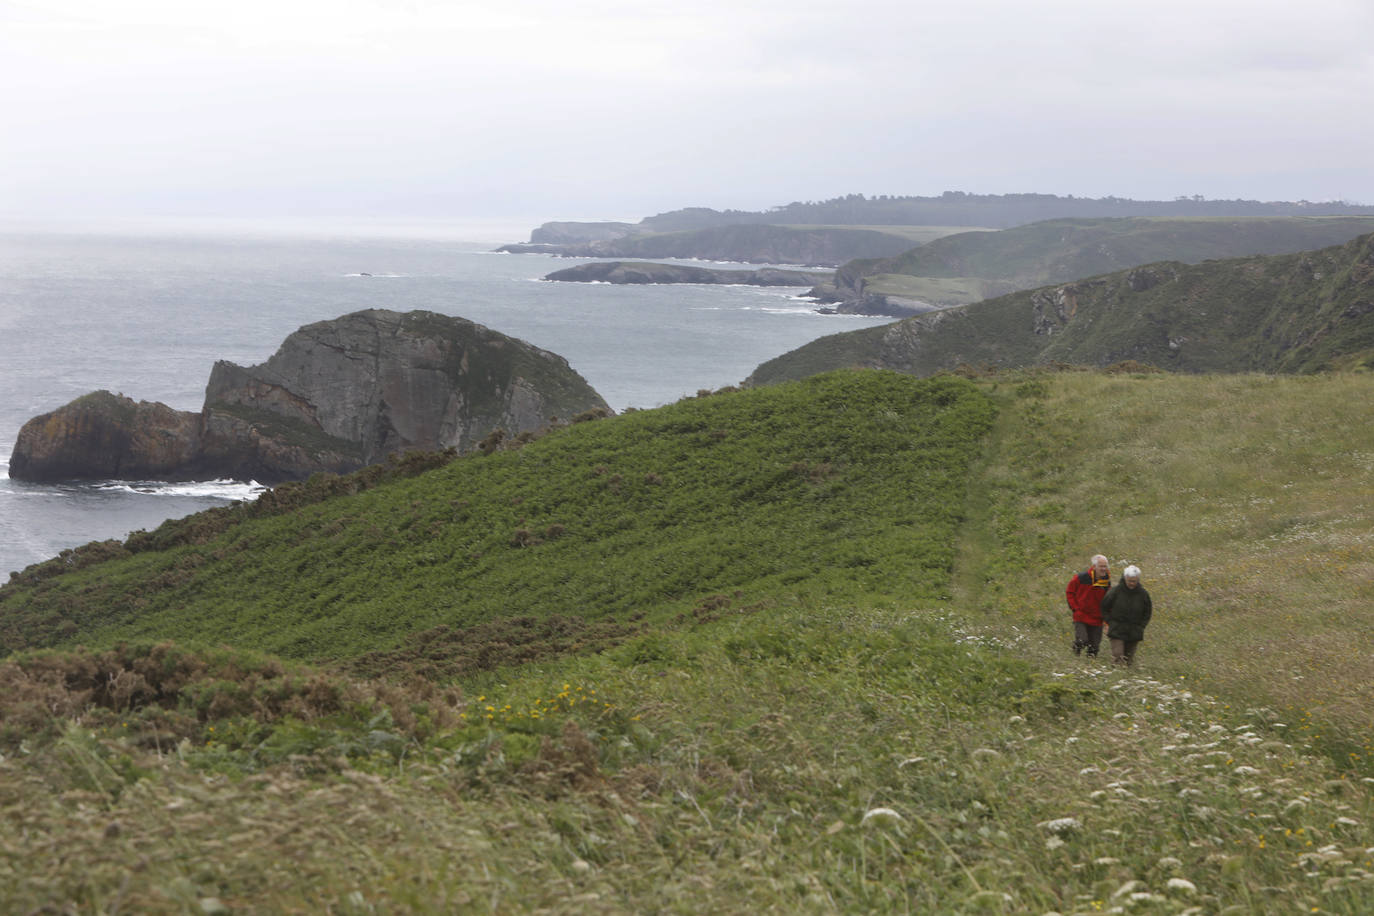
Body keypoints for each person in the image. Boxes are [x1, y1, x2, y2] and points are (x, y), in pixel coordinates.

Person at [1101, 565, 1152, 667]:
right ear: (1125, 579)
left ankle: (1126, 678)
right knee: (1118, 656)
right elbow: (1104, 607)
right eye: (1129, 581)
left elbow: (1147, 612)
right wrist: (1109, 622)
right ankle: (1116, 677)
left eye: (1134, 581)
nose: (1132, 583)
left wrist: (1141, 626)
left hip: (1134, 631)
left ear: (1138, 580)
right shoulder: (1115, 591)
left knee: (1129, 660)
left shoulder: (1143, 594)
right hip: (1116, 629)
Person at [1065, 554, 1111, 657]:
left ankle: (1089, 668)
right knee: (1082, 640)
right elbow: (1070, 592)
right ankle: (1074, 657)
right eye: (1101, 566)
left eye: (1105, 566)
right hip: (1081, 616)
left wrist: (1107, 621)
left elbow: (1108, 603)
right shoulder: (1081, 578)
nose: (1103, 569)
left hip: (1097, 619)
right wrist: (1075, 608)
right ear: (1094, 566)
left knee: (1094, 648)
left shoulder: (1106, 583)